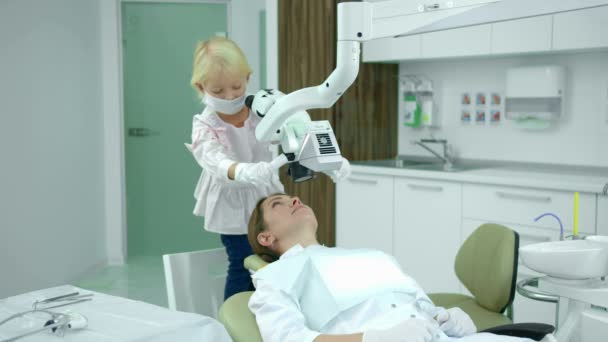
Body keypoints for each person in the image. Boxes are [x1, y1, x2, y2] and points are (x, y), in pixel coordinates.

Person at [246, 194, 552, 342]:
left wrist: (444, 318)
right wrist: (372, 339)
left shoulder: (370, 256)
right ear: (266, 237)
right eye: (278, 204)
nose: (294, 199)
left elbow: (420, 306)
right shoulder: (274, 277)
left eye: (291, 196)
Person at [186, 37, 286, 300]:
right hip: (232, 202)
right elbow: (214, 159)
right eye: (218, 91)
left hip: (264, 197)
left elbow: (285, 131)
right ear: (201, 86)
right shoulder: (205, 124)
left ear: (248, 78)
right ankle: (236, 327)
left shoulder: (259, 110)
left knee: (275, 263)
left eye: (236, 86)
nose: (230, 96)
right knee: (243, 264)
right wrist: (242, 171)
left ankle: (271, 318)